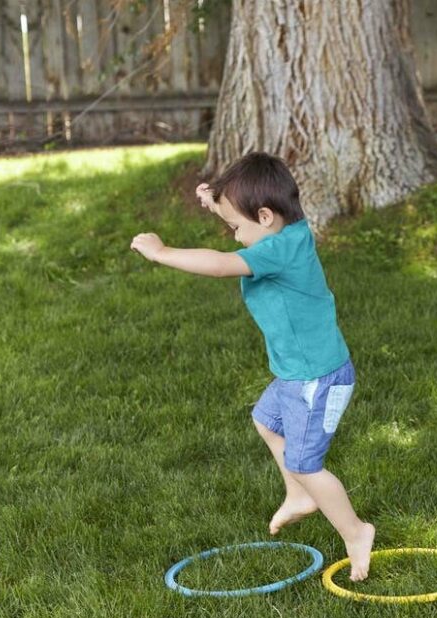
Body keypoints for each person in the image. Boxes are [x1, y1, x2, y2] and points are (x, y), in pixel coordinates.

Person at [130, 152, 375, 581]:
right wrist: (217, 201)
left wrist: (162, 252)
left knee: (306, 462)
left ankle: (355, 531)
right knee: (266, 421)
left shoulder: (278, 251)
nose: (235, 237)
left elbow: (222, 264)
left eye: (236, 228)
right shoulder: (288, 230)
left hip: (316, 379)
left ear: (265, 216)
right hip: (296, 374)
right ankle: (299, 496)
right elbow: (248, 227)